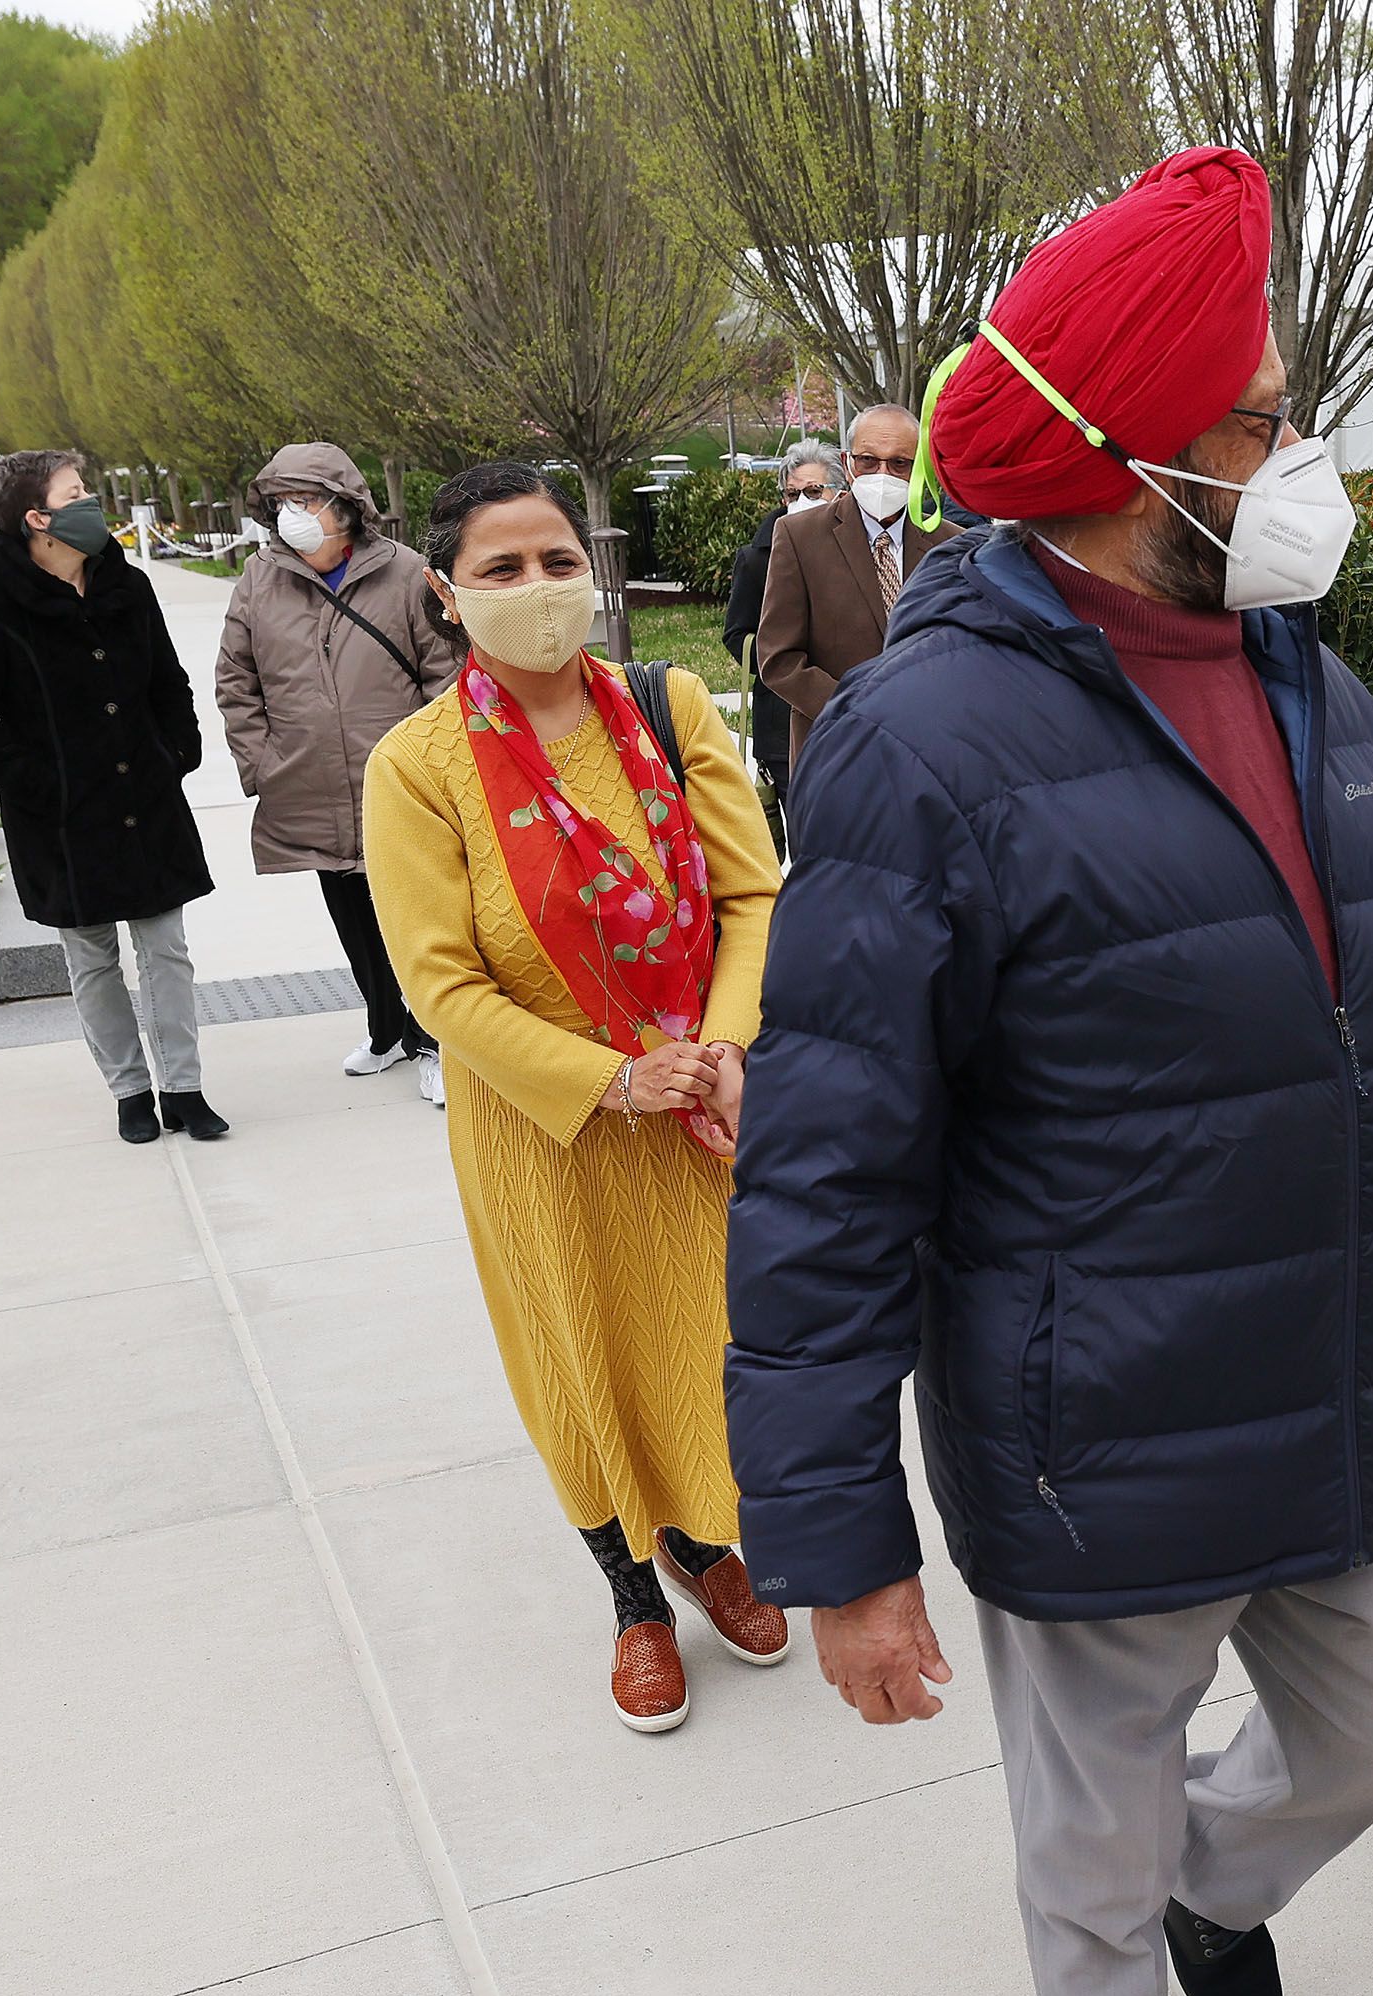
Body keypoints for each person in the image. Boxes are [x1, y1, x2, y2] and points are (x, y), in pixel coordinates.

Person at [725, 149, 1373, 1996]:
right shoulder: (925, 741)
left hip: (1319, 1392)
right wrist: (844, 1547)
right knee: (1083, 1892)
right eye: (1265, 420)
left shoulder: (1320, 690)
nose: (1304, 456)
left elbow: (1371, 1065)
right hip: (1095, 1440)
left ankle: (1218, 1889)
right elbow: (825, 1172)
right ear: (1141, 461)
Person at [363, 462, 788, 1734]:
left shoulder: (669, 711)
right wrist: (609, 1078)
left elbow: (753, 893)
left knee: (704, 1340)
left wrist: (719, 1046)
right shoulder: (419, 767)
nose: (539, 590)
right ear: (448, 591)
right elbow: (439, 985)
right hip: (545, 1126)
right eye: (502, 569)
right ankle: (630, 1597)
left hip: (696, 1109)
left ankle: (705, 1544)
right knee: (578, 1351)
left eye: (556, 561)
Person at [0, 448, 226, 1146]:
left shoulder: (123, 584)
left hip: (147, 798)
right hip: (62, 818)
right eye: (76, 493)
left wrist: (176, 753)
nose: (91, 501)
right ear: (37, 517)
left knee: (166, 949)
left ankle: (182, 1088)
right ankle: (130, 1091)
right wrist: (42, 784)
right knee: (92, 956)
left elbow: (168, 679)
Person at [217, 443, 460, 1104]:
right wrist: (262, 763)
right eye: (284, 502)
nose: (295, 514)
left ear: (347, 507)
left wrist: (435, 764)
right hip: (310, 783)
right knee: (351, 915)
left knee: (411, 916)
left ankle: (432, 1040)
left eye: (310, 500)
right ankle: (385, 1030)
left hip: (398, 784)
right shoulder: (258, 579)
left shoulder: (406, 573)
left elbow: (445, 674)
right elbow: (236, 683)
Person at [752, 401, 960, 782]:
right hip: (835, 756)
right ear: (848, 463)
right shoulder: (799, 537)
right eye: (868, 460)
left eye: (899, 463)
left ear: (920, 470)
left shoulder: (952, 545)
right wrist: (859, 711)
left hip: (932, 761)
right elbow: (778, 659)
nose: (883, 473)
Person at [722, 438, 840, 841]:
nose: (801, 500)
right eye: (793, 493)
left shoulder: (857, 549)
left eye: (812, 491)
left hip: (850, 712)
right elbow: (736, 634)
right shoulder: (757, 557)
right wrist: (783, 658)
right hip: (782, 722)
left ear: (838, 492)